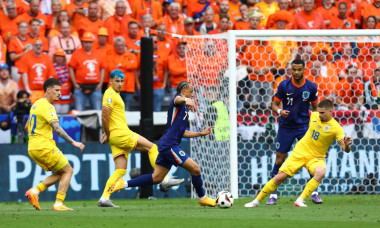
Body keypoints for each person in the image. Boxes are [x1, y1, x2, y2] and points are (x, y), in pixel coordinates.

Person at [108, 81, 216, 207]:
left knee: (157, 178)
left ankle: (123, 184)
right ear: (183, 92)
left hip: (167, 144)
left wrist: (200, 134)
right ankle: (202, 198)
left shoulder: (184, 112)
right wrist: (187, 100)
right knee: (195, 169)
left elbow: (182, 132)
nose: (192, 95)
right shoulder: (177, 101)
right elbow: (178, 99)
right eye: (190, 92)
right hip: (170, 145)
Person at [97, 70, 184, 207]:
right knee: (152, 147)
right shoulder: (110, 94)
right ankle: (164, 179)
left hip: (115, 136)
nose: (120, 84)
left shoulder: (115, 95)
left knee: (120, 170)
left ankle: (104, 198)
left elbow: (109, 117)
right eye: (117, 81)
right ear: (111, 81)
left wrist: (108, 133)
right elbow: (104, 116)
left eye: (121, 81)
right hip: (120, 134)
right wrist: (107, 132)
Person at [245, 99, 352, 208]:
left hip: (316, 158)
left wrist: (347, 145)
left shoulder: (336, 128)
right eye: (319, 112)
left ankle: (300, 200)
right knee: (279, 178)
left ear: (331, 111)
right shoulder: (314, 116)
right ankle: (256, 202)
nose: (319, 115)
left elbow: (345, 148)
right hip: (300, 152)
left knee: (321, 171)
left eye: (322, 113)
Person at [25, 78, 85, 211]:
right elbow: (57, 128)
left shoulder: (36, 104)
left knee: (61, 172)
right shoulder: (47, 106)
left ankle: (35, 191)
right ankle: (58, 204)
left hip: (33, 147)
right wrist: (73, 142)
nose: (60, 93)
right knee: (68, 170)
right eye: (57, 90)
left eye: (60, 90)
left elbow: (26, 126)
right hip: (43, 146)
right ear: (48, 90)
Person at [266, 59, 320, 205]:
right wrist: (279, 111)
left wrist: (315, 124)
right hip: (286, 127)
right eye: (293, 69)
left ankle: (314, 192)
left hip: (303, 127)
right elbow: (274, 103)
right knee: (279, 159)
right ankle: (273, 194)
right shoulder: (284, 85)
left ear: (304, 70)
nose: (296, 72)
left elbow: (315, 108)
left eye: (299, 70)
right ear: (291, 69)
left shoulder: (311, 86)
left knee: (309, 160)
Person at [68, 32, 104, 111]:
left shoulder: (98, 53)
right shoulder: (77, 53)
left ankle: (97, 124)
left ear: (92, 43)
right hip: (80, 87)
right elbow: (71, 68)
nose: (88, 44)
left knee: (97, 111)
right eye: (86, 42)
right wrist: (74, 84)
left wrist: (101, 83)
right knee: (79, 111)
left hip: (96, 87)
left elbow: (102, 68)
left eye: (89, 42)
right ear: (83, 42)